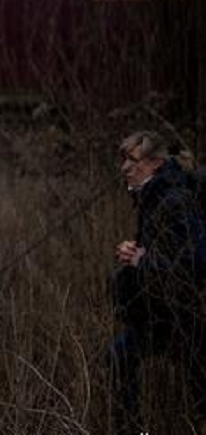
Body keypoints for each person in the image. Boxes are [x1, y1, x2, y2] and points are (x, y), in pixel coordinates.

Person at [108, 130, 206, 434]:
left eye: (133, 160)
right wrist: (134, 252)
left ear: (156, 164)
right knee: (119, 356)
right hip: (161, 314)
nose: (125, 167)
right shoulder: (151, 196)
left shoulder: (175, 200)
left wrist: (142, 260)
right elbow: (165, 249)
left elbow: (192, 264)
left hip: (186, 316)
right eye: (124, 159)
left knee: (200, 391)